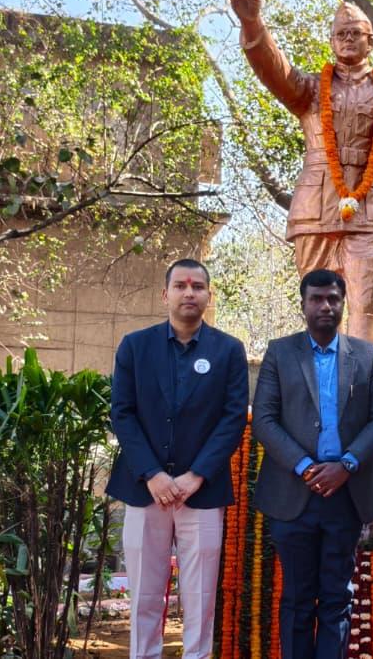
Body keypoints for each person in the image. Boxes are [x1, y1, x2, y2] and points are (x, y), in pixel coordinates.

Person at [228, 0, 373, 344]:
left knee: (367, 305)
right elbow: (275, 71)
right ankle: (316, 378)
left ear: (370, 41)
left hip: (371, 211)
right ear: (332, 41)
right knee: (319, 305)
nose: (348, 39)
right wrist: (252, 22)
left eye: (355, 33)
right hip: (315, 207)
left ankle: (362, 379)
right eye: (341, 34)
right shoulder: (309, 90)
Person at [106, 258, 248, 659]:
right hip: (144, 489)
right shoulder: (135, 346)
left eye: (198, 287)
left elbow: (233, 418)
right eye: (181, 286)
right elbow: (122, 413)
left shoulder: (228, 350)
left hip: (201, 492)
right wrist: (152, 473)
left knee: (200, 594)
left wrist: (196, 475)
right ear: (164, 294)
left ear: (208, 295)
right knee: (145, 592)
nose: (189, 293)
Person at [251, 268, 373, 659]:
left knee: (337, 596)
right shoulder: (280, 352)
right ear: (303, 305)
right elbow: (264, 419)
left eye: (333, 298)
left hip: (345, 494)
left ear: (343, 303)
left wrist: (346, 464)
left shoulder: (365, 355)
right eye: (317, 298)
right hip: (292, 492)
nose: (325, 306)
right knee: (297, 597)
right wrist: (304, 466)